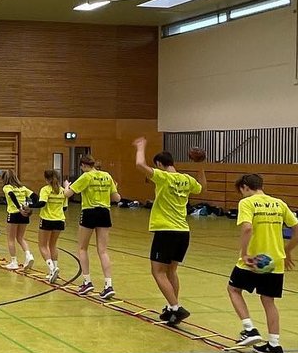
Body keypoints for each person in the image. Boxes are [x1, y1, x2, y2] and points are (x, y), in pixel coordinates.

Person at [227, 174, 298, 353]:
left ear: (245, 187)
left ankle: (249, 329)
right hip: (274, 261)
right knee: (269, 301)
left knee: (233, 289)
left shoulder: (247, 203)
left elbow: (247, 228)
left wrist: (244, 253)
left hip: (254, 260)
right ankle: (275, 345)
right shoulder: (279, 203)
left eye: (241, 191)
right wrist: (286, 251)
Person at [134, 138, 206, 327]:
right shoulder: (186, 179)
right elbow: (202, 188)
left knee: (157, 271)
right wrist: (200, 166)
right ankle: (171, 307)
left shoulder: (163, 177)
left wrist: (141, 147)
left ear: (159, 164)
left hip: (166, 230)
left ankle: (175, 307)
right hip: (183, 231)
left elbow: (140, 165)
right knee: (171, 270)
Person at [64, 155, 119, 299]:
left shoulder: (86, 176)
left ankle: (87, 282)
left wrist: (66, 186)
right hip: (104, 213)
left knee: (82, 248)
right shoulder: (107, 176)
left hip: (89, 212)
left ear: (83, 165)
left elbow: (67, 194)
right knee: (103, 251)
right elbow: (117, 198)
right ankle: (108, 285)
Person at [0, 169, 36, 271]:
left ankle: (14, 262)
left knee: (11, 239)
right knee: (20, 238)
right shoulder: (23, 188)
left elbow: (11, 195)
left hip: (14, 214)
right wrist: (30, 206)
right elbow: (34, 196)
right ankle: (28, 255)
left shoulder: (7, 187)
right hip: (24, 215)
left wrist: (19, 208)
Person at [37, 170, 67, 282]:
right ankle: (54, 269)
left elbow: (42, 203)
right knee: (53, 245)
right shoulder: (63, 191)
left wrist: (29, 206)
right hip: (59, 220)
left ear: (46, 179)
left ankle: (52, 269)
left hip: (47, 219)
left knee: (42, 246)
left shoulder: (45, 189)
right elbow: (65, 208)